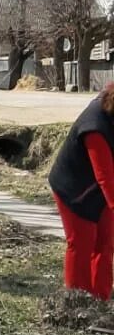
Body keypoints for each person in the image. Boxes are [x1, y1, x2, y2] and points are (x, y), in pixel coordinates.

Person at [48, 82, 114, 300]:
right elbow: (105, 177)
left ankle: (100, 298)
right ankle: (77, 301)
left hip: (99, 189)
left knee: (105, 242)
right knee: (82, 243)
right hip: (74, 188)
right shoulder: (95, 126)